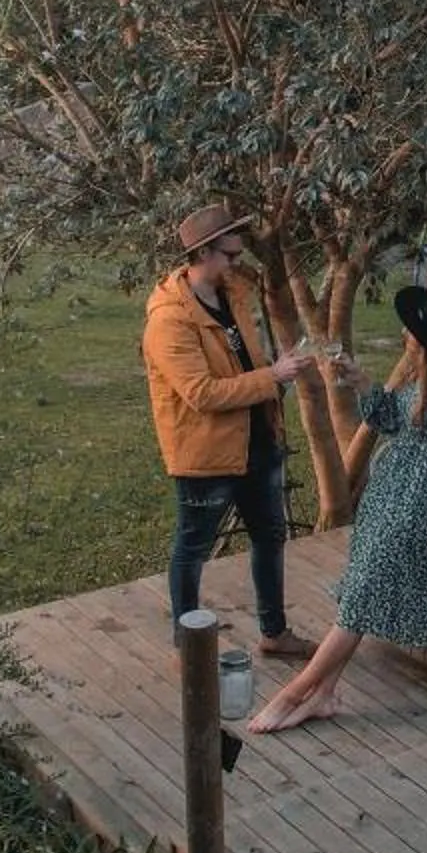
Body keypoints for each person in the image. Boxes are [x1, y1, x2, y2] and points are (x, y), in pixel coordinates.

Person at [247, 286, 427, 733]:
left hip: (418, 500)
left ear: (425, 339)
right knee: (359, 590)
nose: (404, 334)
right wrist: (361, 381)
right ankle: (325, 693)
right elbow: (393, 419)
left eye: (410, 330)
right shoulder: (426, 370)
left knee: (359, 599)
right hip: (392, 491)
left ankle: (295, 692)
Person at [143, 202, 318, 658]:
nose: (239, 263)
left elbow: (243, 360)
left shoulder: (231, 294)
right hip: (207, 456)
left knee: (270, 536)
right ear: (203, 254)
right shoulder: (168, 320)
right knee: (193, 547)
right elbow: (201, 393)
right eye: (231, 255)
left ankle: (273, 633)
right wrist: (272, 378)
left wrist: (279, 367)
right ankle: (189, 647)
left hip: (258, 442)